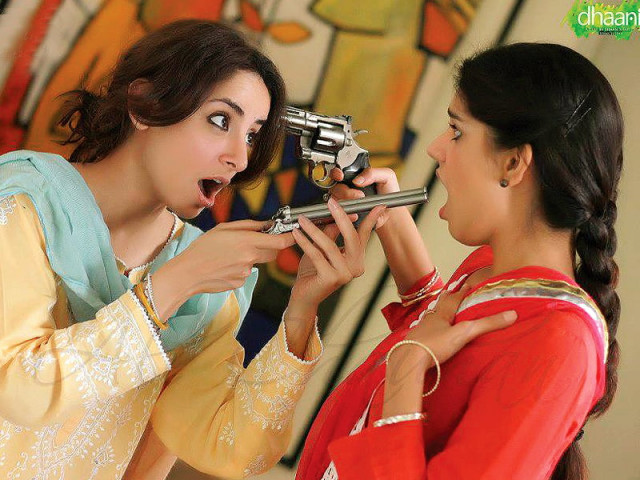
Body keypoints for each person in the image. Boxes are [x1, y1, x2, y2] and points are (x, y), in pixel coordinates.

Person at [0, 20, 385, 479]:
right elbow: (18, 389)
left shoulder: (208, 274)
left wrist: (302, 308)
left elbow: (229, 450)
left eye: (251, 135)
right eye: (221, 120)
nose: (239, 158)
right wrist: (176, 282)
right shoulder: (21, 203)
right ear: (144, 105)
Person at [296, 42, 622, 480]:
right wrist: (386, 212)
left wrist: (407, 370)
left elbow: (424, 349)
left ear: (513, 162)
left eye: (456, 131)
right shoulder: (491, 272)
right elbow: (432, 323)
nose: (436, 148)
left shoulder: (559, 343)